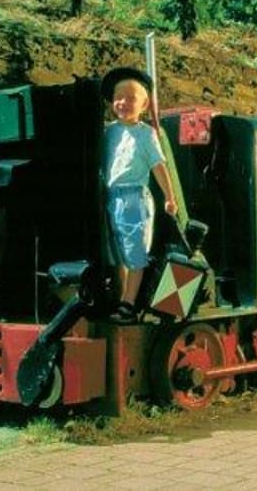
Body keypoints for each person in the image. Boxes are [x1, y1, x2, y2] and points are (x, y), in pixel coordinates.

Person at [100, 67, 178, 323]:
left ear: (144, 105)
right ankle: (118, 297)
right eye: (118, 97)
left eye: (130, 98)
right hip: (110, 196)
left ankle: (129, 302)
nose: (122, 102)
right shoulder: (108, 132)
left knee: (134, 249)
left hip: (134, 196)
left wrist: (169, 196)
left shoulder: (145, 134)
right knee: (116, 251)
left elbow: (158, 166)